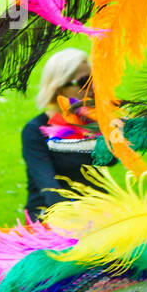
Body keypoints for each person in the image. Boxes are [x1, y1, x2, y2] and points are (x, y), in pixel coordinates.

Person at [21, 49, 99, 221]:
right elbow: (51, 192)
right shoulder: (35, 131)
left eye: (94, 80)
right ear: (59, 88)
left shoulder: (91, 123)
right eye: (84, 81)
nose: (92, 87)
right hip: (50, 218)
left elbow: (110, 160)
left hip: (94, 212)